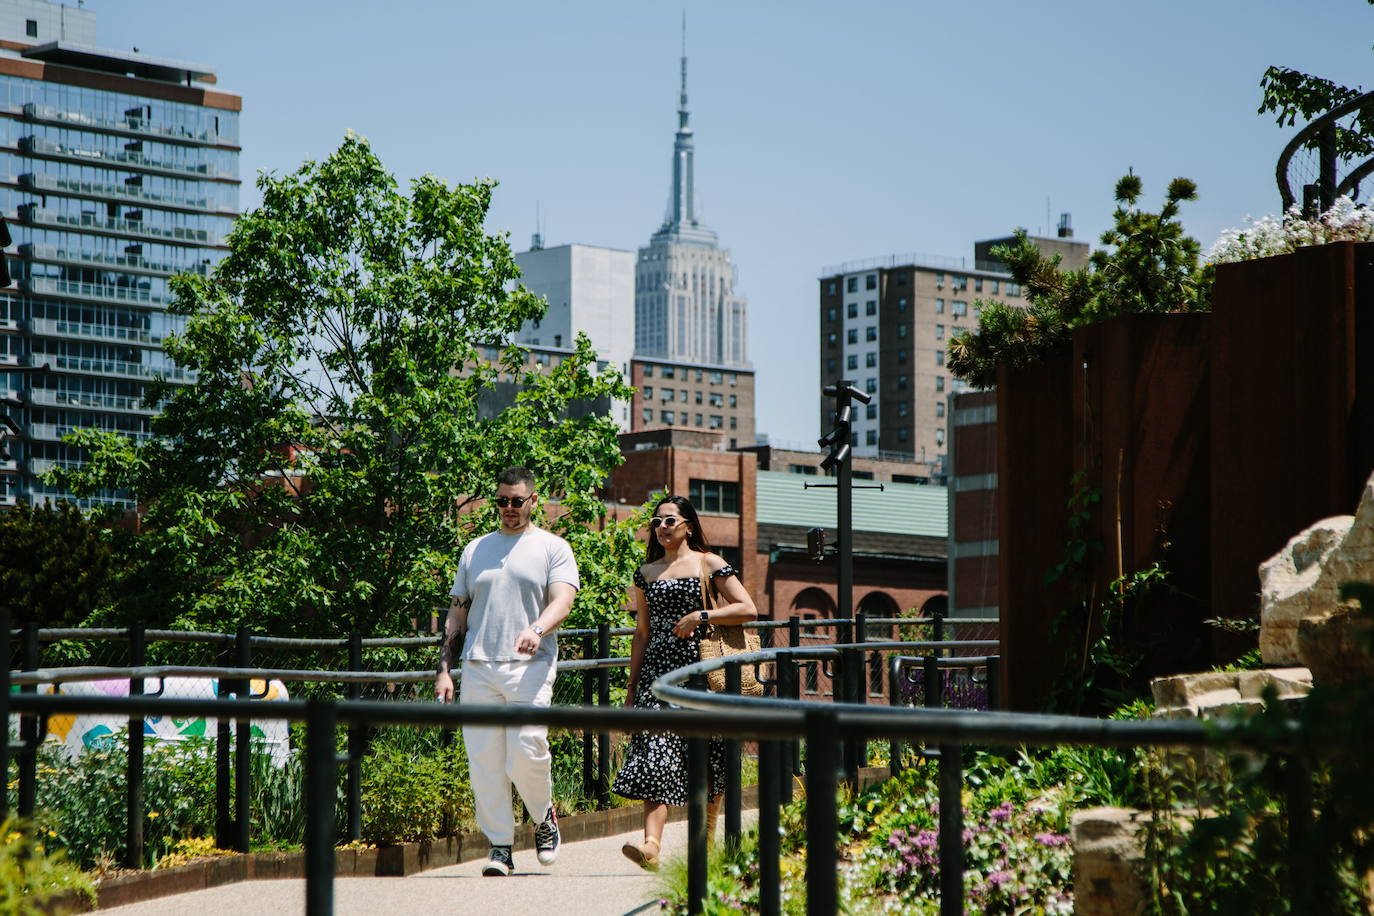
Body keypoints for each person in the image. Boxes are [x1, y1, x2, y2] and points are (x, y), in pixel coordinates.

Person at [435, 466, 579, 877]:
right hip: (478, 665)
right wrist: (445, 668)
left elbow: (562, 602)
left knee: (526, 750)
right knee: (484, 761)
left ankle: (543, 817)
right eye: (502, 501)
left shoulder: (553, 547)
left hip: (530, 666)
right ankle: (500, 846)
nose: (509, 508)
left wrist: (537, 628)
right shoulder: (475, 549)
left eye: (517, 501)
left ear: (533, 501)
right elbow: (457, 615)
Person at [612, 495, 758, 869]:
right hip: (657, 676)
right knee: (653, 753)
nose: (662, 527)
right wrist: (631, 689)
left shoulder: (709, 563)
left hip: (703, 673)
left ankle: (705, 843)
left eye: (670, 521)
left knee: (709, 757)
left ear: (688, 525)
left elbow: (747, 608)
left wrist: (702, 615)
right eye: (657, 522)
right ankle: (651, 846)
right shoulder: (646, 573)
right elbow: (641, 633)